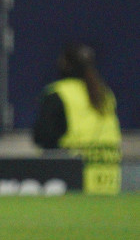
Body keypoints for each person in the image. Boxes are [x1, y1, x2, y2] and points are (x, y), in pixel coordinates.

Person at [33, 44, 122, 195]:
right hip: (109, 183)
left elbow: (43, 137)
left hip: (73, 185)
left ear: (64, 64)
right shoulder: (105, 94)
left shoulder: (59, 94)